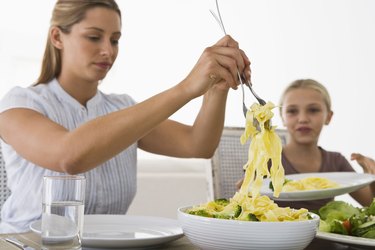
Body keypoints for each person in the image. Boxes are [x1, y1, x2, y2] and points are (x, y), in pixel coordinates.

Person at [0, 0, 251, 233]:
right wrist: (185, 88)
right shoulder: (20, 104)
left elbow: (199, 144)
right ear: (57, 37)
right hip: (23, 243)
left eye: (115, 40)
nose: (107, 51)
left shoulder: (121, 107)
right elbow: (70, 156)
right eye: (94, 37)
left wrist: (216, 86)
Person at [237, 79, 375, 211]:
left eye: (313, 110)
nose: (303, 119)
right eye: (292, 111)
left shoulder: (336, 161)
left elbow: (369, 203)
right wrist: (244, 193)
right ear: (282, 117)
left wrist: (371, 177)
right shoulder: (266, 161)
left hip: (325, 235)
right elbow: (245, 203)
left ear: (328, 116)